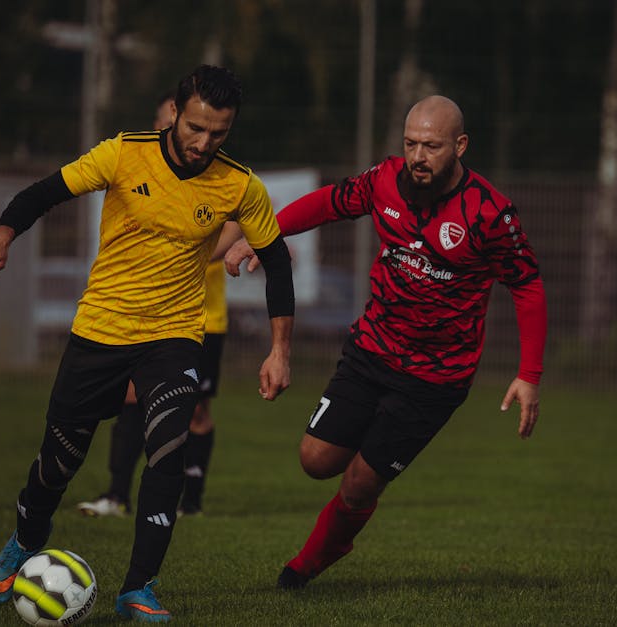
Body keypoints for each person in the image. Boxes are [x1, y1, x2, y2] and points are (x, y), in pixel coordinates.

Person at [0, 65, 294, 622]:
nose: (204, 143)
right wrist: (0, 236)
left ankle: (138, 588)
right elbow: (44, 192)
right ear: (173, 113)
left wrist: (280, 350)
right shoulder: (122, 153)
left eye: (218, 134)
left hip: (174, 335)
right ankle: (25, 538)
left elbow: (277, 262)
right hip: (100, 331)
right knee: (59, 462)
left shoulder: (240, 185)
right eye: (195, 128)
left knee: (167, 451)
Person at [225, 95, 547, 589]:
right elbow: (330, 202)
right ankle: (349, 494)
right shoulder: (383, 180)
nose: (419, 156)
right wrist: (262, 235)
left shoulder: (490, 213)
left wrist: (528, 375)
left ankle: (305, 566)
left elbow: (526, 285)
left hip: (435, 378)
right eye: (411, 143)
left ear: (460, 146)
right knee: (315, 461)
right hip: (371, 350)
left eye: (432, 146)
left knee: (358, 483)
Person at [76, 90, 234, 518]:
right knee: (130, 397)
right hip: (143, 315)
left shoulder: (222, 180)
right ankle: (117, 495)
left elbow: (236, 232)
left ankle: (192, 501)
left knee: (196, 410)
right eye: (181, 123)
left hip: (202, 319)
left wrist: (183, 249)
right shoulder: (140, 167)